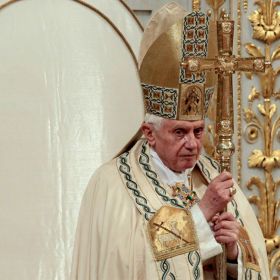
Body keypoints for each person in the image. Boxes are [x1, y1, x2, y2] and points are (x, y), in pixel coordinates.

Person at [70, 3, 269, 279]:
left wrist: (235, 254)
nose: (192, 144)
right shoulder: (112, 186)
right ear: (149, 132)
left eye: (198, 131)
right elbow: (132, 262)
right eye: (179, 132)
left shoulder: (214, 178)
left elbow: (254, 261)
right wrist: (202, 213)